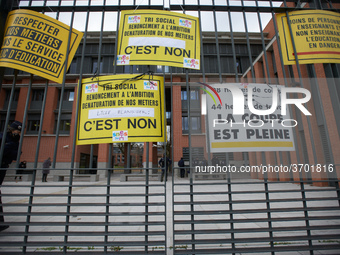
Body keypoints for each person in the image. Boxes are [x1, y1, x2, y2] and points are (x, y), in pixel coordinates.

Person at [0, 121, 22, 232]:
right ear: (10, 129)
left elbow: (16, 154)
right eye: (16, 130)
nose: (17, 133)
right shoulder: (2, 137)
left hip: (3, 166)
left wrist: (9, 147)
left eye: (19, 131)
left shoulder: (15, 141)